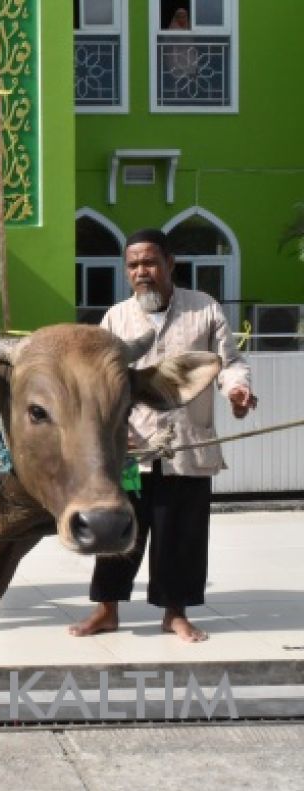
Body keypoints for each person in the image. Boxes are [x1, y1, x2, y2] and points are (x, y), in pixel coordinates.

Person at [68, 228, 255, 643]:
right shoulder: (116, 318)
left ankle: (174, 613)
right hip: (131, 450)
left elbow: (229, 362)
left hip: (187, 447)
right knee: (118, 531)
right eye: (133, 265)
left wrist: (237, 390)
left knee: (180, 534)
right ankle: (107, 610)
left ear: (170, 263)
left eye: (150, 262)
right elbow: (99, 382)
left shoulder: (203, 309)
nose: (142, 272)